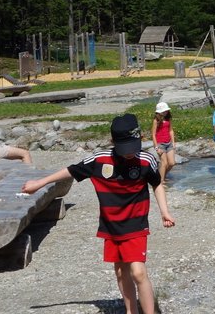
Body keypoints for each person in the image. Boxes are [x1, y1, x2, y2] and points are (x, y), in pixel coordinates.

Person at [22, 114, 175, 314]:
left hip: (136, 223)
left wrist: (164, 211)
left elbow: (157, 185)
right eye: (125, 149)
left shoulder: (146, 160)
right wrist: (39, 183)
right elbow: (70, 170)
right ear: (113, 142)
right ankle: (131, 310)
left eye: (133, 147)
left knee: (138, 272)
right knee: (121, 271)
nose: (130, 154)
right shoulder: (99, 160)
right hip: (111, 225)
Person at [152, 102, 176, 180]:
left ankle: (163, 175)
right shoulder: (156, 120)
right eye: (164, 111)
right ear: (159, 112)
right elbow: (153, 134)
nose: (166, 112)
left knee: (172, 163)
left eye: (166, 111)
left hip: (169, 143)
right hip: (160, 144)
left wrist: (173, 142)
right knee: (164, 163)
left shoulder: (168, 118)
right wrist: (156, 147)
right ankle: (161, 182)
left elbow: (171, 130)